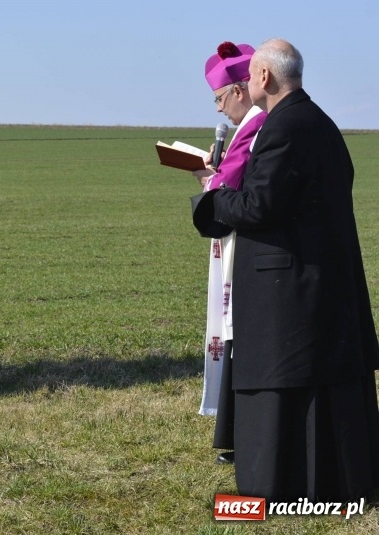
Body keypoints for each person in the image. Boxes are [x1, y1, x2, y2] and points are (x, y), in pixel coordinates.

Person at [191, 38, 379, 502]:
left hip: (289, 287)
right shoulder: (320, 123)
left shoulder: (284, 128)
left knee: (290, 385)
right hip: (319, 280)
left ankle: (279, 489)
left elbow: (259, 206)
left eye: (249, 74)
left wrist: (211, 193)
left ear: (264, 77)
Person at [194, 42, 267, 466]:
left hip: (248, 248)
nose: (219, 110)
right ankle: (239, 432)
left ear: (240, 91)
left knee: (241, 335)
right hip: (233, 241)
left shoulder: (256, 127)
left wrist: (206, 180)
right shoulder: (245, 129)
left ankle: (246, 435)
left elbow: (228, 188)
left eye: (220, 99)